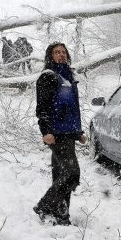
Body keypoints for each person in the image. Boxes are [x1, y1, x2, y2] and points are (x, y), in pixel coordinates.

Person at [33, 42, 87, 225]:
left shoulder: (69, 77)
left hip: (69, 133)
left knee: (61, 175)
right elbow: (42, 108)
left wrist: (78, 131)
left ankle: (61, 215)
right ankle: (45, 205)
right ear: (50, 56)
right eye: (57, 52)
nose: (61, 55)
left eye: (63, 52)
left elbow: (73, 108)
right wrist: (46, 131)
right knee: (72, 173)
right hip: (56, 134)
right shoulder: (48, 77)